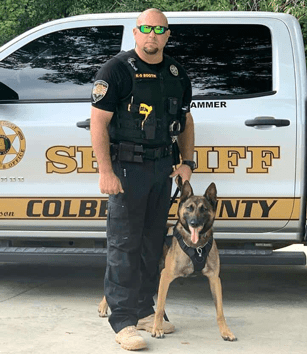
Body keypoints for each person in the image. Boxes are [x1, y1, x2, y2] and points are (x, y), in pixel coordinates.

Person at [90, 8, 195, 351]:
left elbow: (185, 120)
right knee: (124, 243)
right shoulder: (117, 70)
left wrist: (187, 162)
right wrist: (105, 171)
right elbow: (99, 123)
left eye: (159, 29)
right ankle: (122, 322)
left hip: (162, 168)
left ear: (167, 34)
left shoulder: (176, 72)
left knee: (152, 242)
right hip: (126, 169)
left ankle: (146, 310)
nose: (152, 34)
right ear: (135, 34)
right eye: (145, 28)